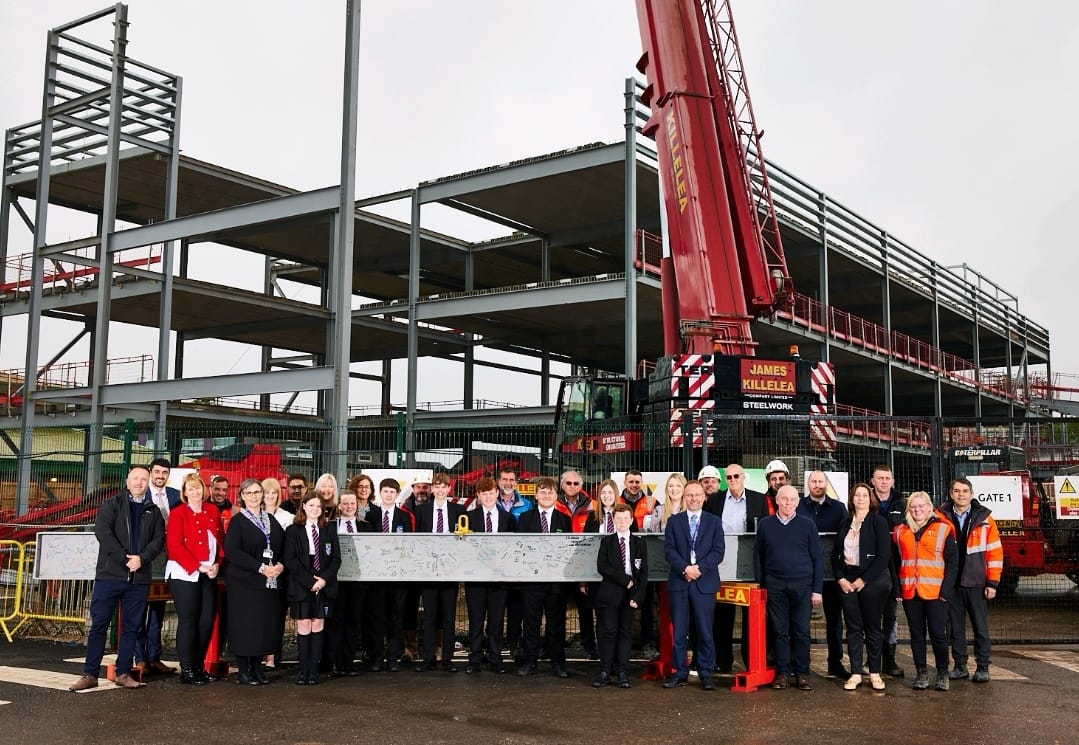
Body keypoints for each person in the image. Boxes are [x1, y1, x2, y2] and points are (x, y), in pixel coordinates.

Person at [69, 465, 166, 691]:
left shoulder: (153, 510)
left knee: (132, 627)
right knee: (99, 625)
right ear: (127, 480)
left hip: (138, 578)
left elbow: (158, 540)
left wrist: (141, 559)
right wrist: (125, 558)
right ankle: (90, 674)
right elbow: (103, 532)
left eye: (144, 479)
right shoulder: (111, 505)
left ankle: (123, 672)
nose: (139, 482)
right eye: (135, 478)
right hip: (110, 576)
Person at [754, 485, 823, 692]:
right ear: (777, 500)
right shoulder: (766, 525)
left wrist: (817, 589)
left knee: (801, 631)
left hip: (802, 585)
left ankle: (802, 673)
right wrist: (762, 584)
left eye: (792, 500)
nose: (788, 503)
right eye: (784, 499)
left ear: (798, 502)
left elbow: (817, 558)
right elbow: (759, 555)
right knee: (779, 631)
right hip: (775, 586)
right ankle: (782, 672)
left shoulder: (807, 525)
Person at [662, 479, 724, 691]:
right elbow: (669, 551)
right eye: (690, 495)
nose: (694, 498)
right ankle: (680, 673)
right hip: (680, 583)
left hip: (704, 582)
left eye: (698, 495)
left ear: (704, 497)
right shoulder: (674, 521)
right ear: (684, 497)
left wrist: (698, 569)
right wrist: (685, 569)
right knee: (679, 632)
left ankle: (706, 673)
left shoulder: (714, 522)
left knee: (705, 631)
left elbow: (718, 552)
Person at [939, 477, 1003, 684]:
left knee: (980, 628)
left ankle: (983, 667)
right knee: (955, 628)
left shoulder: (985, 519)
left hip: (976, 582)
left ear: (971, 494)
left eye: (965, 491)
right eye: (957, 491)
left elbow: (994, 553)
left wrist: (992, 583)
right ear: (951, 494)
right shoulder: (940, 517)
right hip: (951, 583)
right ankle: (960, 666)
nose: (961, 495)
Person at [707, 462, 769, 674]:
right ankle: (722, 661)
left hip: (749, 566)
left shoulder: (758, 499)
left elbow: (764, 533)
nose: (733, 480)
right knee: (722, 615)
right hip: (721, 566)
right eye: (729, 477)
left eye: (736, 476)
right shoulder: (715, 500)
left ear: (743, 477)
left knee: (751, 616)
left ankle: (751, 661)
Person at [224, 478, 285, 686]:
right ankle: (243, 670)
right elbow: (232, 551)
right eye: (248, 493)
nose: (254, 496)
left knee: (262, 626)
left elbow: (283, 547)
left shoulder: (270, 519)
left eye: (257, 492)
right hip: (245, 582)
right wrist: (260, 568)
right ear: (242, 496)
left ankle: (257, 667)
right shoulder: (238, 521)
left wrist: (280, 566)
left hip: (268, 582)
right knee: (245, 625)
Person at [832, 483, 893, 691]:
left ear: (871, 498)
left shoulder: (879, 522)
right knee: (853, 628)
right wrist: (840, 577)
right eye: (856, 495)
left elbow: (884, 556)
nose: (860, 498)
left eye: (864, 495)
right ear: (852, 499)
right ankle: (855, 672)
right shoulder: (844, 523)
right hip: (847, 579)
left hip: (872, 581)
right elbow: (835, 555)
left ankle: (875, 672)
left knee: (873, 627)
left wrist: (864, 580)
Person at [164, 473, 224, 686]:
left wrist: (217, 563)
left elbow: (219, 541)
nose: (195, 492)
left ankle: (198, 666)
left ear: (203, 489)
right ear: (185, 492)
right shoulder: (178, 513)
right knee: (189, 621)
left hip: (209, 573)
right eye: (190, 489)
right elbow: (175, 546)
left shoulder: (212, 511)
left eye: (198, 487)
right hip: (184, 573)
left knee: (206, 621)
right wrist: (198, 566)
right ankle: (187, 669)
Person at [895, 491, 958, 691]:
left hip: (936, 593)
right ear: (908, 509)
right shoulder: (900, 531)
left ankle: (942, 673)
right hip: (910, 592)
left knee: (939, 635)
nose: (917, 510)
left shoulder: (944, 528)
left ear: (929, 507)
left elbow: (953, 562)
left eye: (921, 506)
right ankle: (921, 672)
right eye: (913, 507)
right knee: (916, 635)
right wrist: (898, 588)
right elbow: (895, 562)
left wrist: (946, 591)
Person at [515, 476, 572, 678]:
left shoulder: (564, 520)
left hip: (556, 582)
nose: (546, 495)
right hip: (531, 581)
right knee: (531, 623)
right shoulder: (524, 519)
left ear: (556, 496)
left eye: (550, 492)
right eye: (543, 491)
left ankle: (557, 663)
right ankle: (530, 662)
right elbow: (520, 549)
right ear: (536, 495)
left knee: (556, 624)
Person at [283, 492, 341, 685]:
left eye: (319, 506)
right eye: (312, 505)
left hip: (323, 585)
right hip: (302, 585)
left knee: (318, 624)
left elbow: (336, 559)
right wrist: (310, 582)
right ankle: (303, 670)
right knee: (304, 625)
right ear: (304, 507)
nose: (315, 509)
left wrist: (323, 580)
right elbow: (290, 560)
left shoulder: (329, 529)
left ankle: (314, 671)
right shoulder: (293, 530)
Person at [797, 470, 849, 678]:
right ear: (807, 484)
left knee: (835, 620)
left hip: (830, 574)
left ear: (826, 484)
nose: (817, 485)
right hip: (804, 573)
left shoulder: (838, 508)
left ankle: (835, 663)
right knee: (800, 621)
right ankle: (800, 664)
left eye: (821, 481)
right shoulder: (798, 506)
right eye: (813, 481)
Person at [135, 456, 181, 678]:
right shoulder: (141, 495)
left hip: (166, 561)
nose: (160, 476)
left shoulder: (174, 495)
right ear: (150, 473)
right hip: (145, 560)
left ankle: (154, 657)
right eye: (157, 472)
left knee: (157, 612)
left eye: (164, 473)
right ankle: (139, 658)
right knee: (138, 611)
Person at [593, 503, 648, 689]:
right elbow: (603, 567)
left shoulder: (639, 543)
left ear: (631, 520)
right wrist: (624, 580)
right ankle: (605, 670)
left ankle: (623, 671)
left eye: (626, 518)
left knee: (625, 633)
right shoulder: (607, 542)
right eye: (618, 519)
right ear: (613, 521)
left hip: (630, 596)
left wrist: (638, 596)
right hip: (610, 594)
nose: (622, 522)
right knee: (608, 632)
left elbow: (643, 573)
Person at [414, 472, 465, 672]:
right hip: (429, 571)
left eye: (444, 487)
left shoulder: (459, 510)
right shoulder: (422, 511)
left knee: (449, 618)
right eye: (437, 486)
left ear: (449, 489)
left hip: (450, 571)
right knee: (429, 617)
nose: (441, 490)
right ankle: (428, 659)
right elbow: (416, 540)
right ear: (432, 489)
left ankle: (447, 660)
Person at [464, 477, 514, 674]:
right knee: (475, 620)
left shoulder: (508, 519)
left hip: (498, 578)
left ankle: (495, 659)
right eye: (483, 493)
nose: (487, 496)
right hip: (475, 578)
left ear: (497, 494)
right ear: (478, 495)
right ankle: (474, 659)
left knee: (496, 621)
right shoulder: (469, 517)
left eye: (491, 493)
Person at [366, 477, 414, 672]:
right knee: (377, 618)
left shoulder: (404, 517)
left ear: (396, 495)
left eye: (392, 492)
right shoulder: (372, 516)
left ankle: (393, 657)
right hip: (377, 576)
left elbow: (409, 545)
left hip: (397, 576)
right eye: (385, 491)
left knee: (396, 617)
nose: (388, 495)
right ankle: (377, 658)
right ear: (380, 493)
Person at [870, 463, 907, 678]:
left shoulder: (901, 504)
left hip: (895, 566)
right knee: (871, 616)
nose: (884, 481)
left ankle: (890, 659)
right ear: (873, 480)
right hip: (870, 565)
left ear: (892, 481)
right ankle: (872, 658)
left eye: (887, 478)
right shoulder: (866, 500)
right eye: (880, 478)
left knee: (890, 616)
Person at [328, 488, 370, 676]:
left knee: (353, 622)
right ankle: (337, 663)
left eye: (352, 503)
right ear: (339, 506)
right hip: (337, 581)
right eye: (345, 503)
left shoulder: (367, 527)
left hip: (358, 582)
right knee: (337, 622)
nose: (349, 506)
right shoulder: (330, 526)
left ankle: (349, 662)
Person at [559, 469, 597, 660]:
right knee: (557, 607)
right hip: (559, 564)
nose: (572, 486)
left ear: (581, 486)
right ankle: (555, 646)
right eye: (568, 483)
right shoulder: (554, 503)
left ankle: (589, 646)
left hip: (583, 564)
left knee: (585, 608)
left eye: (576, 483)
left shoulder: (592, 505)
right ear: (562, 484)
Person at [496, 464, 531, 660]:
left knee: (517, 607)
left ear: (515, 482)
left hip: (519, 564)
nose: (508, 483)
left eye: (511, 480)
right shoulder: (489, 501)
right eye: (505, 479)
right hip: (497, 563)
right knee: (497, 607)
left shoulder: (526, 505)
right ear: (499, 482)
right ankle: (495, 645)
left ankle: (514, 643)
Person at [400, 472, 432, 663]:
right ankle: (410, 648)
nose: (422, 490)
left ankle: (433, 648)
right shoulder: (405, 509)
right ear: (412, 489)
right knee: (409, 608)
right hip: (411, 567)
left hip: (432, 566)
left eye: (425, 486)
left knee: (433, 609)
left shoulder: (439, 507)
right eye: (418, 486)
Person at [261, 476, 291, 672]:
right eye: (267, 492)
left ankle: (272, 656)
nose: (271, 496)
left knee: (275, 617)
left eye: (274, 493)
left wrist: (279, 567)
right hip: (258, 574)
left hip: (279, 574)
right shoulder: (252, 515)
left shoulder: (287, 517)